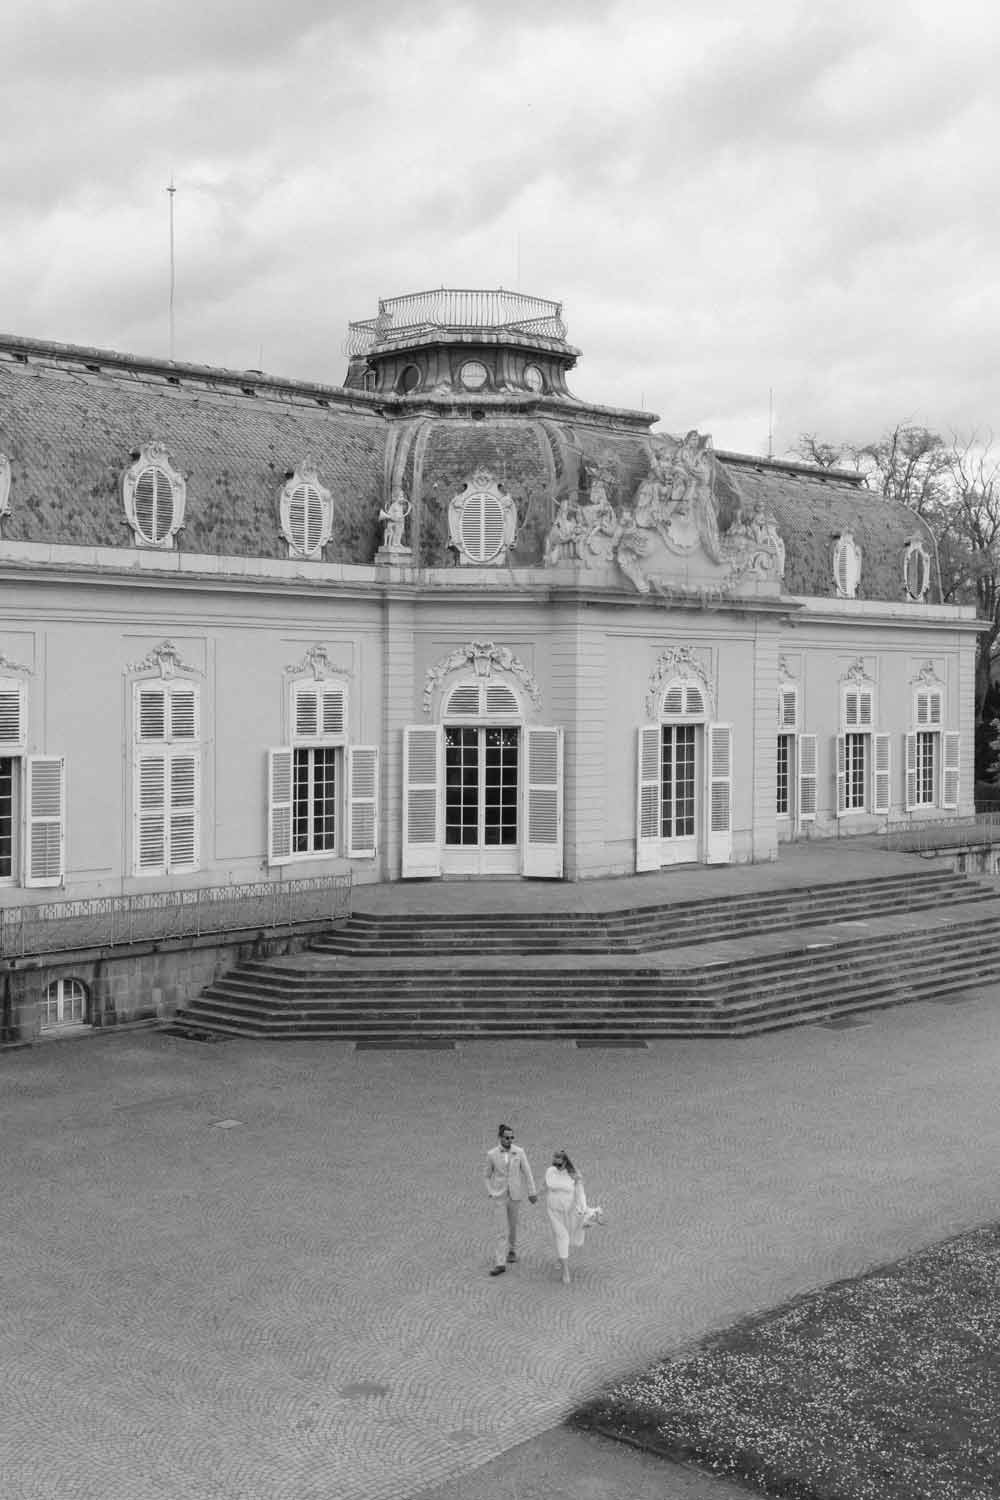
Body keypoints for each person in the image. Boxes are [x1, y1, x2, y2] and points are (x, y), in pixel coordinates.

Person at [484, 1123, 537, 1275]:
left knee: (513, 1226)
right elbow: (486, 1175)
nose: (510, 1140)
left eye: (512, 1137)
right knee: (501, 1230)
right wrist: (491, 1191)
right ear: (500, 1137)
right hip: (499, 1196)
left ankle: (512, 1250)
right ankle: (500, 1263)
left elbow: (527, 1172)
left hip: (515, 1195)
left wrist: (532, 1191)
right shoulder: (491, 1154)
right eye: (507, 1137)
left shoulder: (519, 1152)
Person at [544, 1148, 590, 1285]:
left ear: (565, 1162)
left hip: (569, 1211)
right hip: (553, 1210)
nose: (556, 1167)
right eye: (554, 1163)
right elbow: (545, 1185)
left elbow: (581, 1193)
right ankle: (565, 1271)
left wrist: (584, 1208)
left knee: (568, 1235)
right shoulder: (550, 1171)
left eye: (559, 1164)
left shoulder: (574, 1175)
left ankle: (561, 1257)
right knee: (561, 1236)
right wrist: (534, 1194)